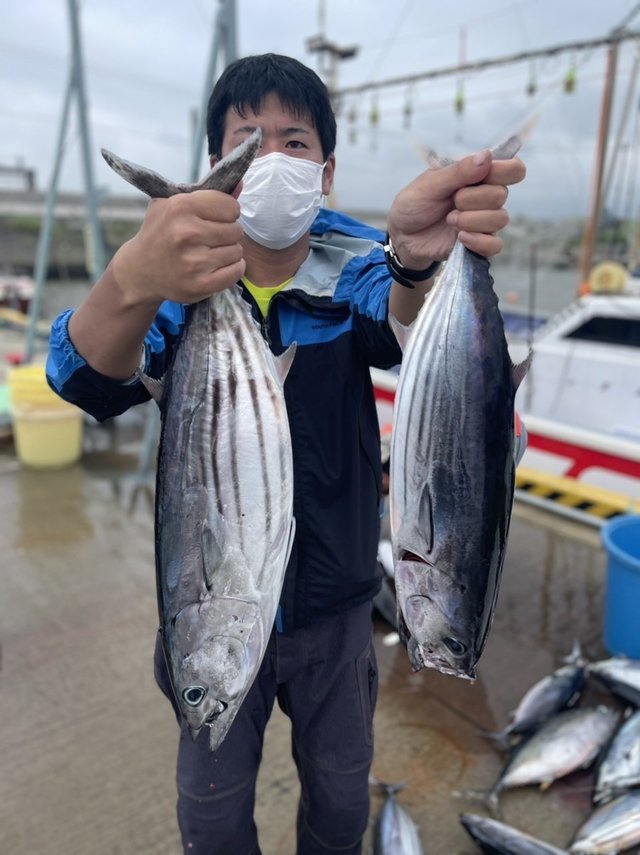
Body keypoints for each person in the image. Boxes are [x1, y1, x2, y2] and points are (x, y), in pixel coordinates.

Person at [46, 53, 525, 855]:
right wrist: (131, 276)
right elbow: (84, 379)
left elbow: (395, 315)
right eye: (248, 140)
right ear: (217, 166)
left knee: (340, 804)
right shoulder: (178, 281)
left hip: (338, 608)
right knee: (212, 815)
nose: (271, 157)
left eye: (294, 141)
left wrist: (415, 258)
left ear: (327, 169)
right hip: (212, 613)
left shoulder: (354, 264)